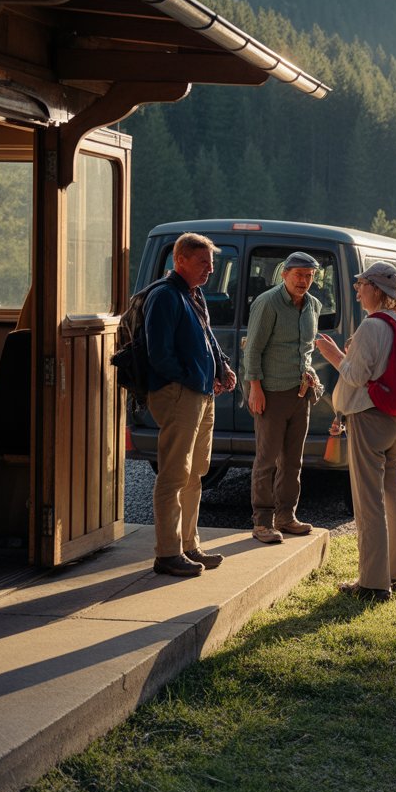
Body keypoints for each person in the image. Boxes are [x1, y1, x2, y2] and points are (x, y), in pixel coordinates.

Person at [315, 262, 396, 603]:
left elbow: (356, 375)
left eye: (360, 285)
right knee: (394, 495)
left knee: (368, 501)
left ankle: (372, 584)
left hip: (369, 419)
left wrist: (333, 355)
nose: (357, 290)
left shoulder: (373, 326)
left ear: (376, 289)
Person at [143, 232, 237, 577]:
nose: (209, 270)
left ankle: (188, 544)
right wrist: (191, 378)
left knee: (196, 472)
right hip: (179, 394)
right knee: (174, 474)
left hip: (201, 393)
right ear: (179, 260)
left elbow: (208, 339)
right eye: (202, 263)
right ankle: (167, 553)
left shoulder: (194, 294)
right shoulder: (165, 297)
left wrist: (222, 366)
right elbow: (159, 353)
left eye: (211, 265)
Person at [243, 251, 322, 544]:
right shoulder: (268, 303)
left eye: (309, 276)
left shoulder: (313, 305)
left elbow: (306, 349)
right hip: (271, 392)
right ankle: (262, 522)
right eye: (298, 274)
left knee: (293, 460)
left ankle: (286, 516)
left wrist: (310, 373)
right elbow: (252, 350)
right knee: (266, 461)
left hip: (300, 392)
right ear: (285, 274)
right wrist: (255, 389)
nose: (303, 281)